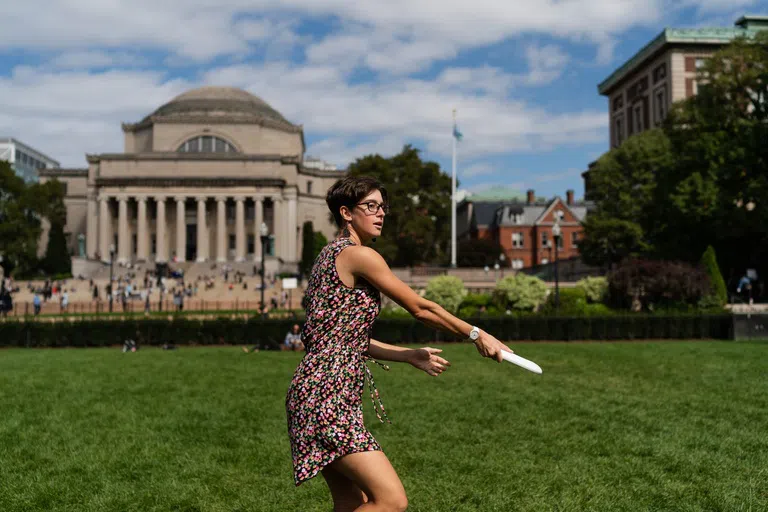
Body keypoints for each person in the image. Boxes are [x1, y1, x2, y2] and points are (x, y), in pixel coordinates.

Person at [285, 176, 513, 510]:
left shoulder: (325, 257)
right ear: (346, 213)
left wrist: (409, 356)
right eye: (371, 206)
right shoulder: (358, 256)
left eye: (382, 207)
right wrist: (477, 335)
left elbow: (344, 340)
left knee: (352, 502)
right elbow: (421, 308)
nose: (380, 214)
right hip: (326, 396)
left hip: (315, 392)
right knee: (391, 500)